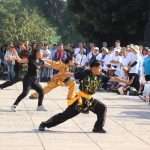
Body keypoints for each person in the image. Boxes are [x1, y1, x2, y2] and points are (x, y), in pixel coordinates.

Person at [38, 60, 131, 133]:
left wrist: (126, 82)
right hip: (80, 100)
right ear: (93, 68)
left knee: (102, 108)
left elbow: (114, 78)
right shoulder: (85, 73)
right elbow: (70, 74)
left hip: (89, 99)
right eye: (99, 68)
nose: (101, 69)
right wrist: (58, 75)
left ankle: (98, 128)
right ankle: (44, 124)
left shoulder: (101, 76)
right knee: (65, 115)